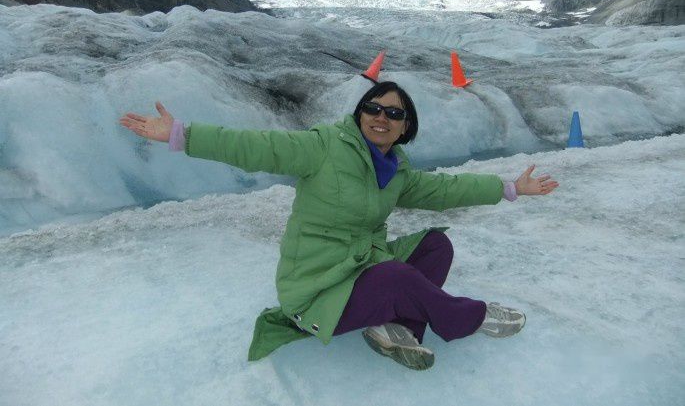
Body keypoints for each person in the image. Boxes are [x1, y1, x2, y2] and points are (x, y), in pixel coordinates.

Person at [119, 81, 558, 371]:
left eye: (393, 113)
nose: (381, 117)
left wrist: (508, 188)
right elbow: (258, 147)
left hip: (362, 267)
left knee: (435, 246)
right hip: (317, 285)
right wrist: (182, 135)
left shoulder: (395, 169)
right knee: (397, 276)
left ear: (405, 128)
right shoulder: (324, 147)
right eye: (373, 108)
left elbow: (444, 189)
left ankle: (398, 332)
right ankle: (469, 317)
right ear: (360, 114)